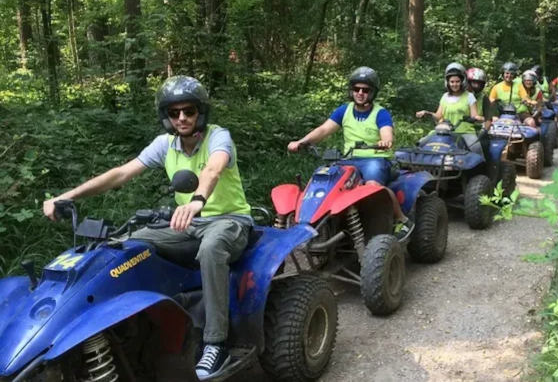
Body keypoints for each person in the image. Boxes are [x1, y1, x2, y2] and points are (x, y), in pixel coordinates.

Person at [42, 75, 251, 380]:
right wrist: (67, 195)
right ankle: (136, 323)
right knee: (125, 244)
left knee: (211, 248)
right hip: (187, 222)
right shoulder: (165, 145)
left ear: (200, 112)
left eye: (189, 111)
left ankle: (215, 342)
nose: (182, 118)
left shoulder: (219, 137)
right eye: (174, 112)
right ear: (166, 116)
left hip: (228, 221)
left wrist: (197, 200)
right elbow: (120, 173)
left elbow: (213, 168)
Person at [287, 67, 413, 239]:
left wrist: (385, 141)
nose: (360, 93)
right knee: (323, 181)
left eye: (365, 90)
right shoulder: (344, 110)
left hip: (374, 159)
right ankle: (319, 225)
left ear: (372, 92)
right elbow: (324, 130)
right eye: (356, 89)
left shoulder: (380, 113)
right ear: (351, 90)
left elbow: (387, 133)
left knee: (373, 187)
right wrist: (302, 142)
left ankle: (401, 220)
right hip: (348, 160)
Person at [415, 63, 485, 154]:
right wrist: (427, 113)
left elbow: (475, 116)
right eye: (452, 82)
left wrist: (481, 119)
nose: (454, 84)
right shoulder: (445, 96)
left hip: (465, 132)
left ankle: (483, 168)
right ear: (447, 82)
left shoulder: (469, 96)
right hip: (444, 131)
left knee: (476, 149)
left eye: (457, 81)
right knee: (421, 144)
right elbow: (438, 116)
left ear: (462, 82)